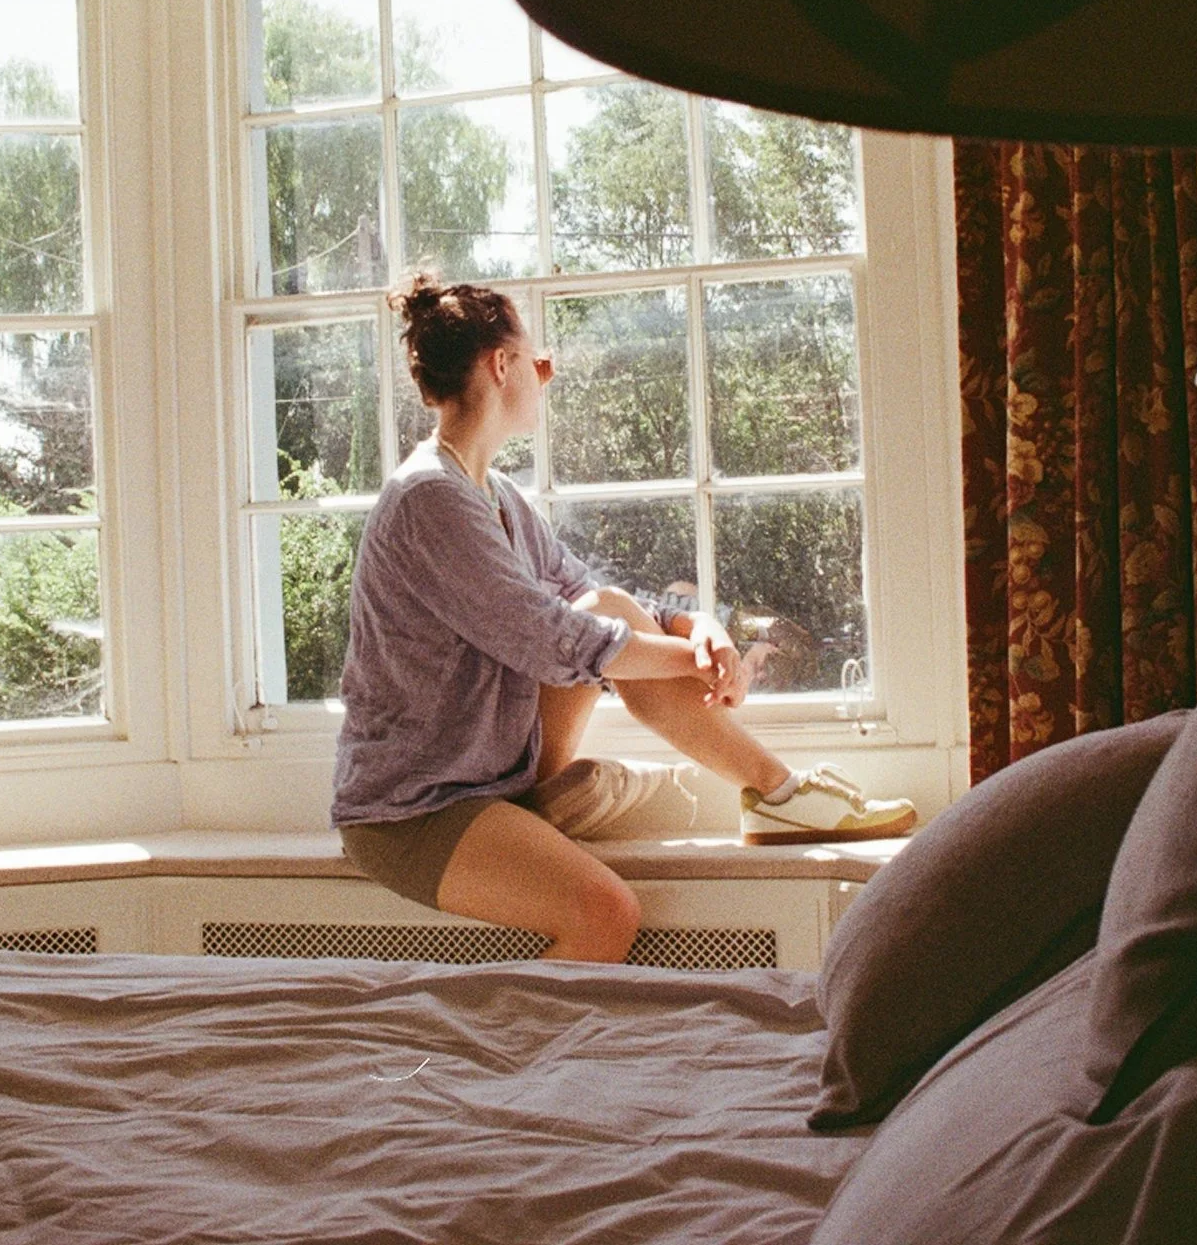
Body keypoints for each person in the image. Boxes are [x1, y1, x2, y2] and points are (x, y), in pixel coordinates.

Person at [332, 276, 917, 962]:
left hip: (490, 777)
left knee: (608, 607)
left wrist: (696, 627)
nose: (545, 378)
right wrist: (695, 661)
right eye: (538, 362)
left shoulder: (496, 495)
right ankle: (492, 1044)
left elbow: (587, 594)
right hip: (413, 806)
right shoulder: (428, 498)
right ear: (501, 365)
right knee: (606, 913)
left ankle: (777, 793)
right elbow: (550, 639)